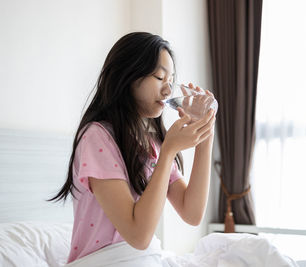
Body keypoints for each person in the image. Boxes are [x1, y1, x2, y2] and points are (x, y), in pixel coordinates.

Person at [48, 32, 216, 264]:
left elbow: (192, 212)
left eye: (171, 81)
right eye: (159, 77)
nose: (168, 91)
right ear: (126, 76)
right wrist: (168, 152)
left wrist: (205, 134)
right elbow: (138, 236)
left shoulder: (151, 143)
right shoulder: (96, 136)